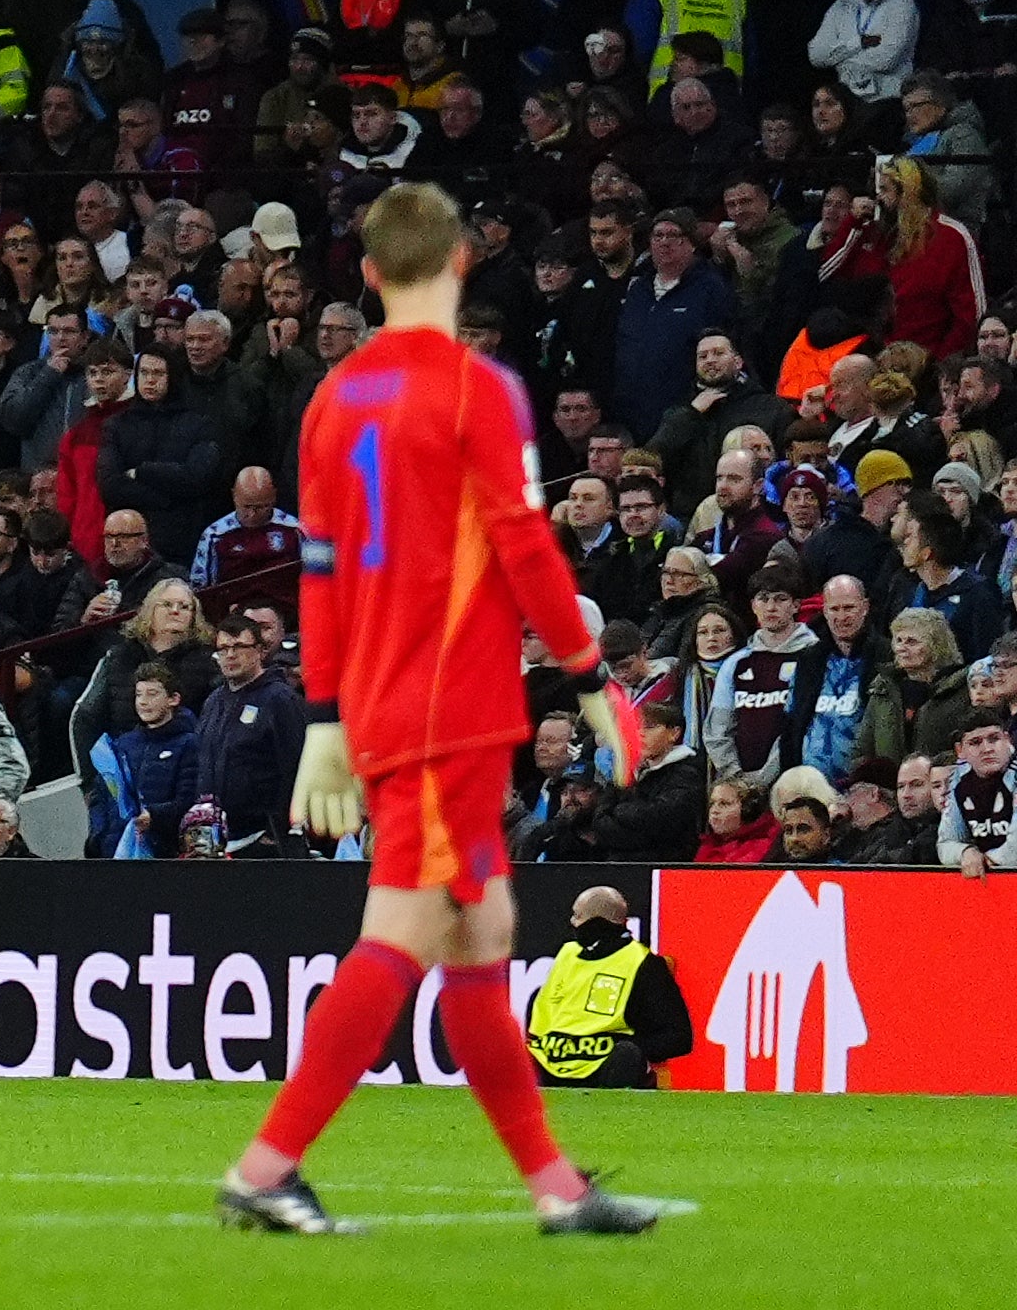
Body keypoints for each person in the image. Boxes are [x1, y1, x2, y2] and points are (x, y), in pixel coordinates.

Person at [219, 183, 681, 1239]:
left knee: (483, 934)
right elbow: (523, 541)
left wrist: (328, 717)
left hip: (384, 697)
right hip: (448, 704)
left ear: (370, 275)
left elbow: (321, 573)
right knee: (407, 929)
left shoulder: (334, 401)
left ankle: (558, 1188)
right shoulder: (482, 391)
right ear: (464, 261)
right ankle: (265, 1164)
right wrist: (590, 678)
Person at [518, 887, 694, 1088]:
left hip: (604, 1067)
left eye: (578, 916)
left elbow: (679, 1037)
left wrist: (634, 1049)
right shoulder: (567, 954)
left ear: (598, 923)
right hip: (548, 1060)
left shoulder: (642, 963)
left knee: (627, 1056)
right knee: (507, 1053)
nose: (573, 923)